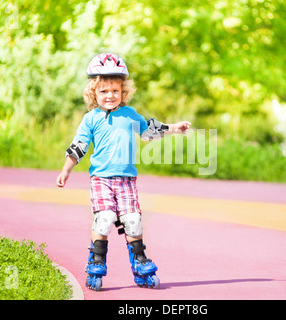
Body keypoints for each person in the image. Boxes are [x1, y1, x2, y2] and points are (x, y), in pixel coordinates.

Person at [56, 53, 191, 291]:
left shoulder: (129, 114)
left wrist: (173, 128)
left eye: (115, 91)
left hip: (126, 180)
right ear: (93, 93)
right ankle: (96, 262)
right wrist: (66, 170)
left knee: (134, 222)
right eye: (104, 91)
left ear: (123, 92)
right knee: (105, 219)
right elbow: (78, 146)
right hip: (101, 179)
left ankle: (139, 264)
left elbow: (149, 130)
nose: (110, 96)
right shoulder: (91, 119)